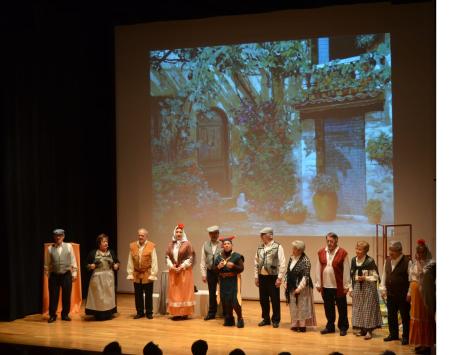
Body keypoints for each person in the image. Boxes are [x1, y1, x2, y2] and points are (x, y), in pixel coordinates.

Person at [315, 232, 350, 336]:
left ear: (336, 241)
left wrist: (346, 285)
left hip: (338, 286)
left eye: (331, 241)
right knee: (328, 308)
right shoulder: (321, 252)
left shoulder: (343, 253)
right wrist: (318, 283)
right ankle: (330, 326)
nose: (329, 243)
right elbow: (318, 268)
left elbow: (347, 270)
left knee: (342, 308)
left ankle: (343, 327)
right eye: (328, 241)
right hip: (326, 286)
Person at [380, 240, 412, 345]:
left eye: (392, 251)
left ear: (399, 251)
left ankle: (406, 337)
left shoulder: (407, 261)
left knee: (405, 316)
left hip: (403, 295)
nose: (390, 253)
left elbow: (411, 279)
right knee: (391, 315)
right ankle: (393, 334)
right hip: (391, 294)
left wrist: (409, 293)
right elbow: (384, 274)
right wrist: (383, 288)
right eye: (390, 250)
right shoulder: (388, 260)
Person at [349, 241, 382, 340]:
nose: (357, 251)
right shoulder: (353, 260)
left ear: (365, 251)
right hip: (358, 287)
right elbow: (351, 275)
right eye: (357, 248)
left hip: (368, 288)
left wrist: (365, 278)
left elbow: (375, 276)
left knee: (368, 309)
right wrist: (351, 288)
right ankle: (362, 329)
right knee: (359, 308)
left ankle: (369, 331)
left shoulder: (370, 261)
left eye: (360, 249)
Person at [254, 227, 286, 328]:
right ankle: (266, 319)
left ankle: (276, 320)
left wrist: (279, 278)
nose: (261, 236)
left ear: (270, 235)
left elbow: (282, 263)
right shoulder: (260, 248)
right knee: (263, 299)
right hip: (262, 277)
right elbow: (256, 262)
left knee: (275, 299)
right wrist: (256, 276)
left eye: (263, 234)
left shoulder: (278, 246)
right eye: (261, 234)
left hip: (273, 277)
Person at [44, 228, 78, 323]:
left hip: (66, 274)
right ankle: (52, 315)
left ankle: (65, 314)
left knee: (66, 295)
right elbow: (47, 264)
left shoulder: (69, 246)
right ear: (54, 237)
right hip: (54, 276)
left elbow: (73, 260)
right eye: (56, 235)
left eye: (60, 235)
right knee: (53, 296)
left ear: (63, 236)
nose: (58, 237)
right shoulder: (50, 248)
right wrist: (48, 274)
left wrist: (74, 273)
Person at [408, 239, 435, 354]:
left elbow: (422, 275)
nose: (420, 254)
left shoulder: (431, 264)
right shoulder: (414, 264)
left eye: (422, 252)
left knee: (425, 317)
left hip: (425, 293)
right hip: (415, 293)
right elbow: (411, 279)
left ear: (426, 252)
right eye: (418, 252)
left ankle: (427, 344)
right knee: (416, 317)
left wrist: (420, 263)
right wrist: (409, 293)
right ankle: (419, 342)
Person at [85, 233, 120, 320]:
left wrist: (116, 266)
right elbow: (85, 265)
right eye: (104, 242)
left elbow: (117, 262)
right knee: (98, 296)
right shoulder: (93, 253)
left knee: (108, 296)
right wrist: (91, 266)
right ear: (99, 243)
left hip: (109, 277)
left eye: (107, 242)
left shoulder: (111, 252)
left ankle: (108, 313)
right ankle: (98, 314)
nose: (106, 243)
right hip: (97, 278)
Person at [284, 240, 316, 332]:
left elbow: (306, 277)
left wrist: (299, 288)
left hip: (302, 288)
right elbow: (288, 272)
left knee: (302, 306)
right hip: (292, 286)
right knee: (293, 306)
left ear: (299, 250)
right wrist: (285, 282)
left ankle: (302, 326)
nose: (292, 250)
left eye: (294, 248)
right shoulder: (291, 258)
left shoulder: (306, 260)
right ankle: (294, 324)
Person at [166, 223, 195, 319]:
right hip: (174, 271)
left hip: (184, 271)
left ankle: (184, 313)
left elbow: (191, 257)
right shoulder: (171, 244)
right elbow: (167, 257)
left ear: (183, 233)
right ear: (174, 233)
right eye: (177, 232)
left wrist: (182, 266)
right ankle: (176, 313)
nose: (178, 233)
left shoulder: (188, 244)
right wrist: (172, 266)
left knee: (184, 292)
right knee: (175, 293)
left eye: (180, 232)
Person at [127, 228, 158, 319]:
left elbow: (154, 261)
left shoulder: (151, 246)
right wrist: (130, 272)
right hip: (137, 273)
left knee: (148, 294)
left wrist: (153, 274)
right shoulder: (133, 246)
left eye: (142, 235)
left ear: (146, 236)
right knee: (138, 294)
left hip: (147, 273)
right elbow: (130, 261)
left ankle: (149, 312)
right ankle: (139, 312)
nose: (140, 237)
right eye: (139, 235)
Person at [214, 236, 244, 328]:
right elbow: (214, 270)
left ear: (232, 245)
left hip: (233, 281)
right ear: (223, 246)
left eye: (228, 244)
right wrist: (218, 267)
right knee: (225, 301)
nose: (226, 245)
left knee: (235, 301)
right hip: (223, 282)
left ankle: (240, 319)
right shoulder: (219, 257)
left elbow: (241, 269)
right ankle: (229, 319)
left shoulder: (237, 256)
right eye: (225, 244)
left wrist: (234, 266)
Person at [200, 225, 222, 320]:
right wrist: (203, 274)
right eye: (212, 233)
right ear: (209, 234)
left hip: (221, 272)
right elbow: (203, 260)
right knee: (212, 292)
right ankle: (211, 313)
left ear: (218, 234)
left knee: (223, 292)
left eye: (215, 233)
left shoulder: (223, 243)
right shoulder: (205, 244)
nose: (214, 235)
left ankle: (225, 312)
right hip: (210, 272)